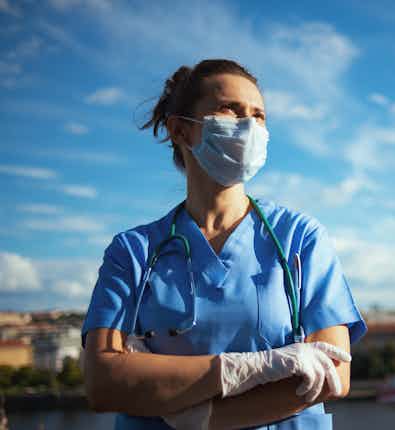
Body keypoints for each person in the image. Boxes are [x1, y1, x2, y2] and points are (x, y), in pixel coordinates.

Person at [81, 59, 367, 430]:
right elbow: (104, 384)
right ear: (180, 130)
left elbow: (333, 375)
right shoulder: (134, 252)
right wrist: (246, 369)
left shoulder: (300, 238)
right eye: (230, 109)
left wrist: (196, 415)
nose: (249, 125)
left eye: (259, 115)